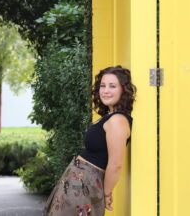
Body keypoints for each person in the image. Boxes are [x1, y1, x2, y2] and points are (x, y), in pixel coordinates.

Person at [43, 65, 137, 216]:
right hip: (79, 184)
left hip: (86, 185)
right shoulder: (110, 116)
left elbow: (115, 164)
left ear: (123, 90)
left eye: (112, 86)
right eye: (103, 86)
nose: (105, 91)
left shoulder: (117, 120)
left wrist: (106, 194)